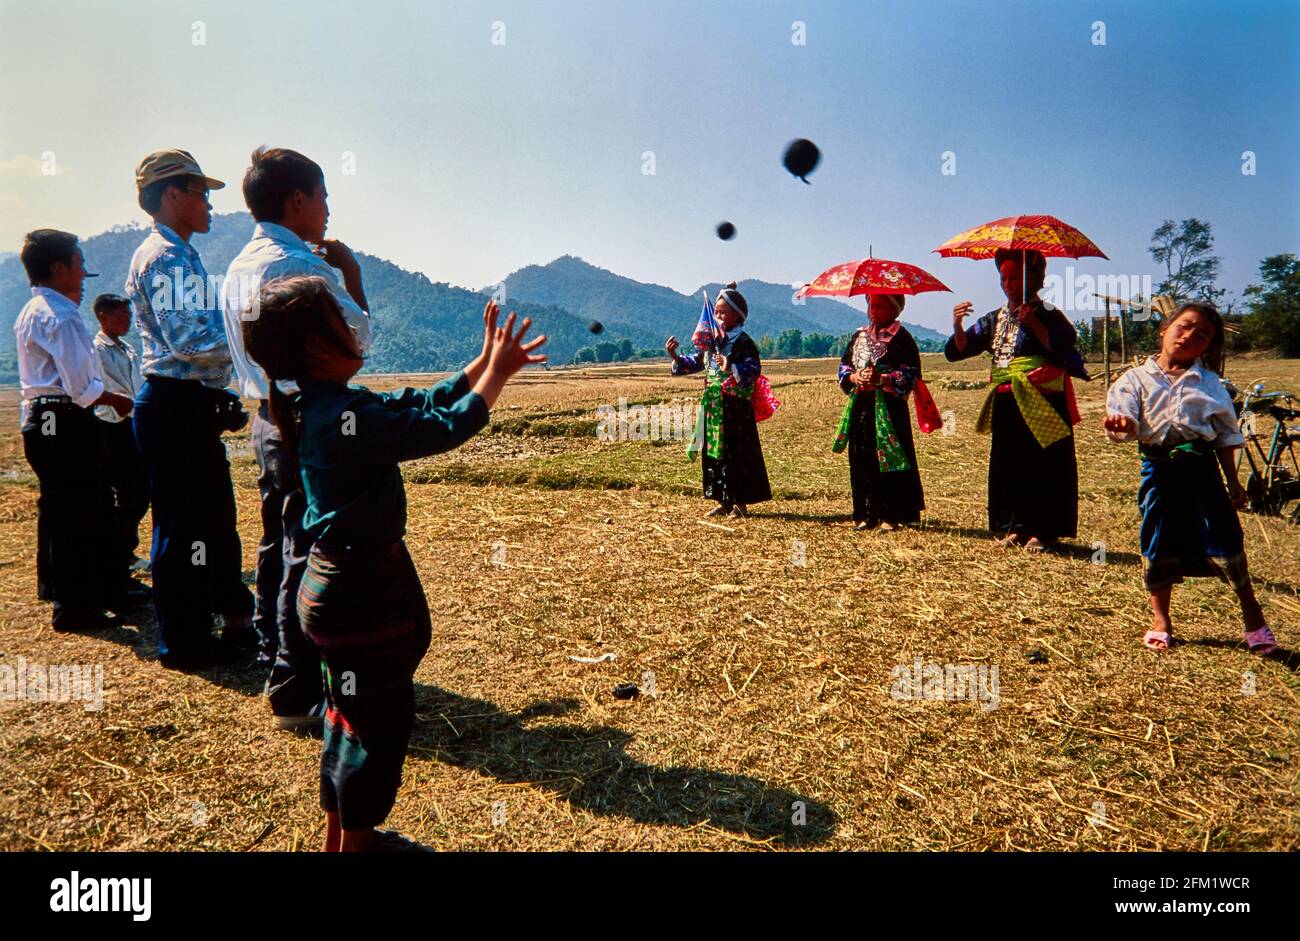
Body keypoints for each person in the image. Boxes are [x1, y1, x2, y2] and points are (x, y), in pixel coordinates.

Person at [241, 276, 545, 851]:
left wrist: (479, 363)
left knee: (346, 714)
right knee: (377, 726)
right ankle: (360, 846)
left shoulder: (321, 406)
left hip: (331, 587)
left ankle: (340, 837)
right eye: (338, 316)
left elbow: (415, 404)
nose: (354, 325)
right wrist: (498, 376)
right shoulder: (342, 417)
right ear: (316, 346)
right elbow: (440, 426)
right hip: (362, 592)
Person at [221, 147, 373, 732]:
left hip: (267, 414)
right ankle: (295, 684)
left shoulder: (238, 266)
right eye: (324, 194)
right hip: (305, 419)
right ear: (298, 200)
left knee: (276, 541)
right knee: (307, 550)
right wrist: (352, 276)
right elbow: (355, 345)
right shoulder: (299, 267)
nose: (329, 208)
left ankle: (273, 654)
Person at [124, 149, 254, 669]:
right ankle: (184, 641)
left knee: (210, 519)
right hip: (175, 405)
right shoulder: (166, 258)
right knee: (182, 528)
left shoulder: (179, 254)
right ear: (171, 195)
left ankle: (223, 620)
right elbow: (192, 343)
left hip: (186, 406)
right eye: (200, 193)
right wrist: (254, 334)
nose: (208, 204)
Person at [1104, 302, 1277, 654]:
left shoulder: (1211, 385)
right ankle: (1161, 620)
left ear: (1208, 347)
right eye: (1184, 327)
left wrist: (1233, 482)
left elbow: (1227, 437)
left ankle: (1253, 616)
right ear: (1164, 329)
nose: (1189, 337)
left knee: (1226, 540)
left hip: (1202, 473)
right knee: (1158, 539)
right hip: (1158, 473)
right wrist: (1122, 426)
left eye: (1202, 336)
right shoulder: (1133, 380)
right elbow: (1124, 419)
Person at [13, 230, 139, 632]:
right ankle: (75, 606)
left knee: (62, 508)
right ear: (59, 267)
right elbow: (82, 388)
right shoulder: (63, 316)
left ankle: (73, 589)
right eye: (80, 265)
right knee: (82, 511)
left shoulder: (31, 311)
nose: (84, 275)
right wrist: (119, 401)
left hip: (42, 419)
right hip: (65, 420)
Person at [945, 249, 1087, 551]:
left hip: (1042, 400)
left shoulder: (1049, 314)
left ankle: (1043, 530)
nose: (1008, 283)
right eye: (1004, 277)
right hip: (1007, 400)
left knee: (1043, 463)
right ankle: (1015, 526)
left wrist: (1034, 324)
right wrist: (957, 325)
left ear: (1035, 279)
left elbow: (1064, 350)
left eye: (1015, 277)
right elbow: (961, 349)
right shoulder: (994, 319)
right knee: (1009, 463)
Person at [834, 294, 942, 530]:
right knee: (862, 456)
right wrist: (854, 376)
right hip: (862, 408)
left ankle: (893, 515)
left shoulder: (902, 338)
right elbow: (843, 367)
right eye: (872, 304)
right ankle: (866, 513)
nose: (875, 310)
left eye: (881, 305)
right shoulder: (858, 336)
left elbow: (912, 373)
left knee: (891, 459)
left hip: (890, 411)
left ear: (896, 309)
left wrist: (883, 379)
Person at [665, 283, 773, 518]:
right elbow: (695, 362)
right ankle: (723, 500)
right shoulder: (711, 342)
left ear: (738, 316)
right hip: (714, 406)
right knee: (714, 453)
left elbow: (754, 368)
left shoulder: (743, 342)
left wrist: (732, 365)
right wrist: (674, 356)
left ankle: (740, 503)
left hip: (735, 408)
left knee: (737, 453)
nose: (718, 316)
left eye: (723, 312)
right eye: (716, 312)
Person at [92, 293, 150, 577]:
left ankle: (126, 548)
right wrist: (136, 408)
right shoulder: (97, 351)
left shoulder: (128, 349)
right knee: (125, 491)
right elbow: (115, 389)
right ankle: (118, 555)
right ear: (103, 316)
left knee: (140, 491)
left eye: (128, 316)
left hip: (132, 422)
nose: (126, 321)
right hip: (113, 425)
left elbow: (137, 384)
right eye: (120, 316)